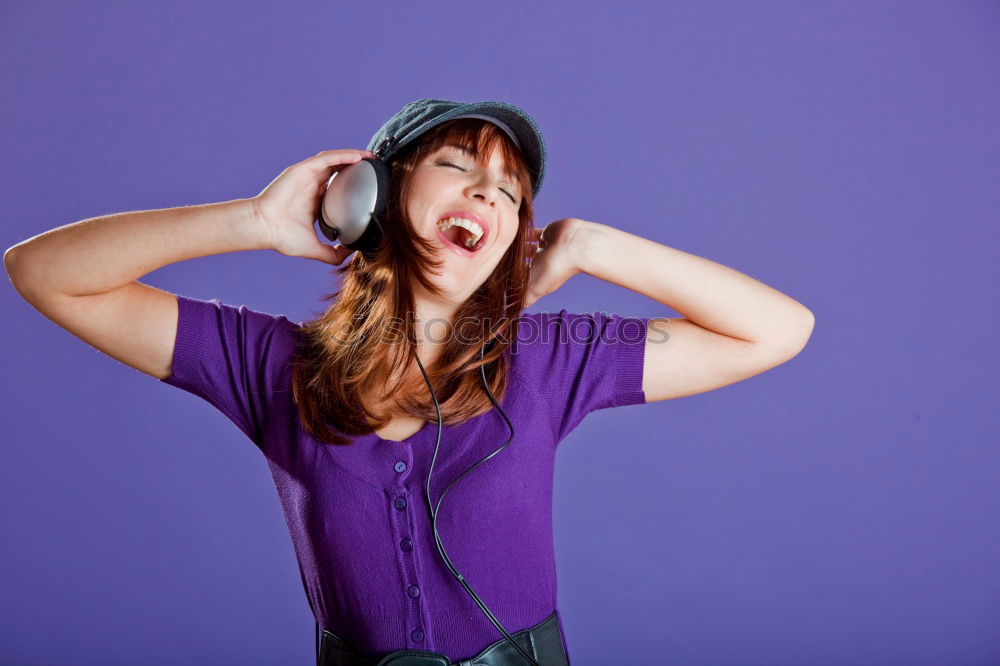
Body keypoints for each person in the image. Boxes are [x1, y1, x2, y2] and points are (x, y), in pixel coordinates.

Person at [4, 98, 814, 665]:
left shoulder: (553, 358)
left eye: (508, 192)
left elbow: (778, 329)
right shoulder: (270, 365)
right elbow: (42, 272)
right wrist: (250, 222)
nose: (484, 195)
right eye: (457, 165)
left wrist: (593, 244)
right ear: (374, 194)